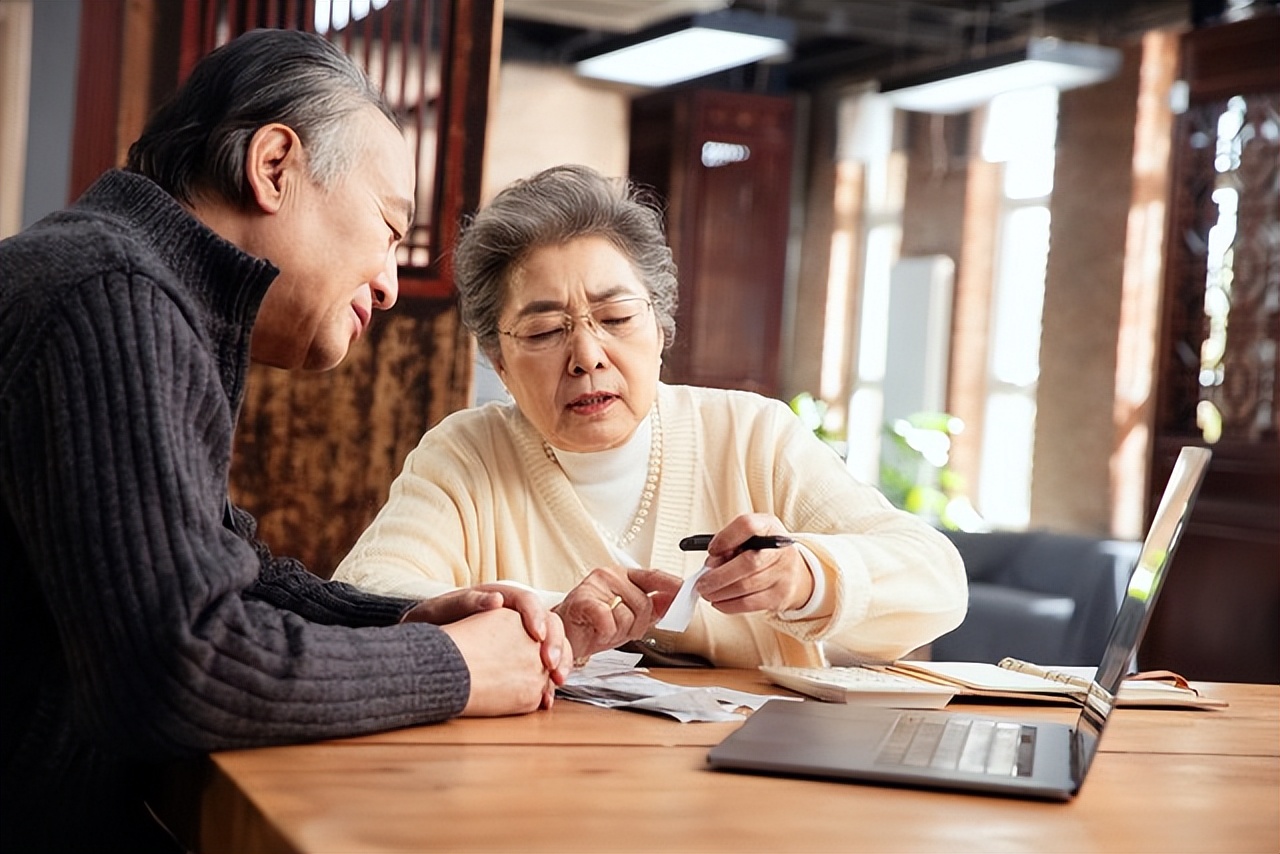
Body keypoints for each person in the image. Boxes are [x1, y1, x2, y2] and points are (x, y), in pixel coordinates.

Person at [0, 29, 571, 853]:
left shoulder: (128, 281)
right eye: (388, 228)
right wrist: (457, 667)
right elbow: (179, 668)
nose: (389, 283)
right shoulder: (108, 293)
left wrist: (405, 619)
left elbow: (230, 572)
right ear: (274, 166)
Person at [334, 164, 967, 669]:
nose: (587, 356)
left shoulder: (751, 436)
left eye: (615, 319)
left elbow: (936, 581)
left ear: (661, 328)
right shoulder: (467, 454)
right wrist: (555, 615)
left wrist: (807, 579)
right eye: (546, 330)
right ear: (499, 363)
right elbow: (366, 596)